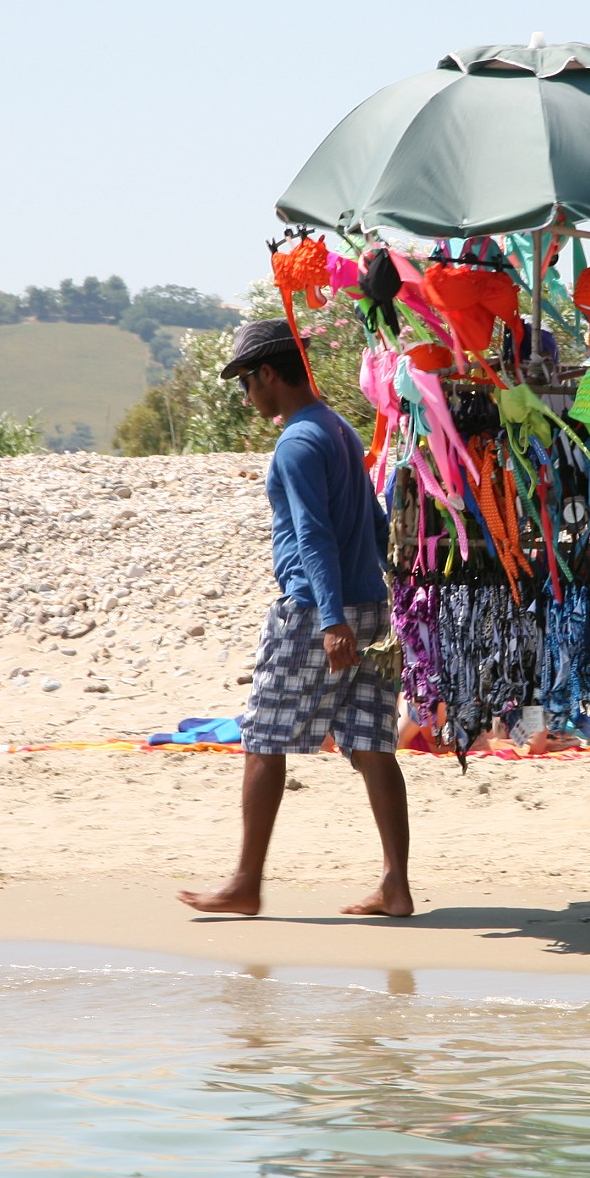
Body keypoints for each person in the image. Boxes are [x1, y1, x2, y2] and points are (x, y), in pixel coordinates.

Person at [178, 319, 413, 918]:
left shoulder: (298, 441)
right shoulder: (337, 428)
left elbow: (313, 535)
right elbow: (376, 518)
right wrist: (382, 593)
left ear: (268, 374)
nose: (245, 395)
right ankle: (395, 886)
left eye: (246, 382)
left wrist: (331, 619)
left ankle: (245, 884)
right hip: (370, 607)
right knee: (371, 743)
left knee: (261, 737)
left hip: (315, 612)